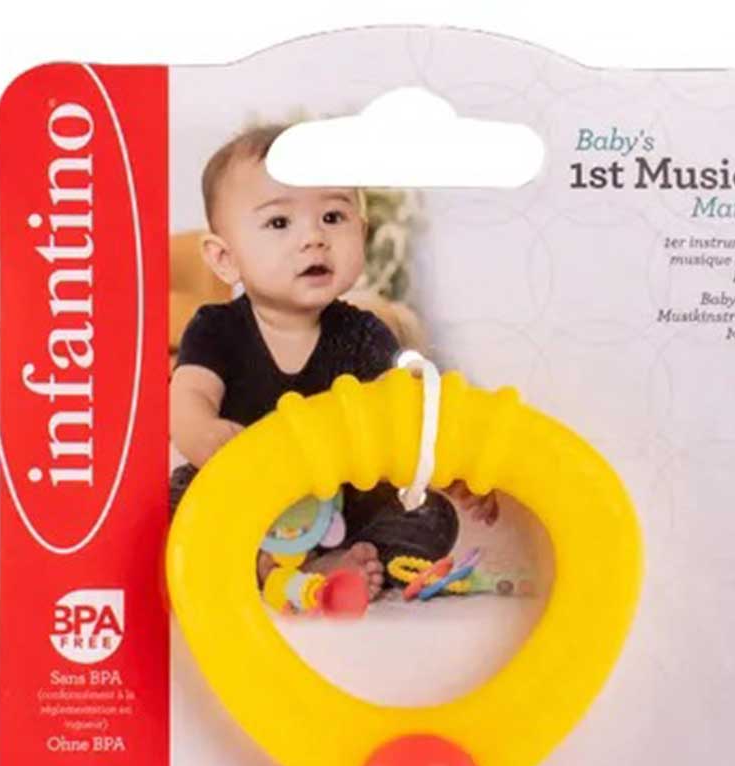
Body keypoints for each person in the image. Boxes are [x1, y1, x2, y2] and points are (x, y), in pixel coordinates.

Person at [170, 124, 497, 599]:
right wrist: (202, 432)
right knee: (171, 502)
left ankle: (342, 562)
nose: (314, 238)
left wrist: (453, 466)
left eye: (332, 216)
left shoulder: (363, 334)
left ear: (360, 233)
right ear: (224, 258)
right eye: (279, 223)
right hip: (245, 496)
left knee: (430, 515)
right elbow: (189, 396)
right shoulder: (215, 328)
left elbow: (408, 420)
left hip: (341, 505)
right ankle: (258, 562)